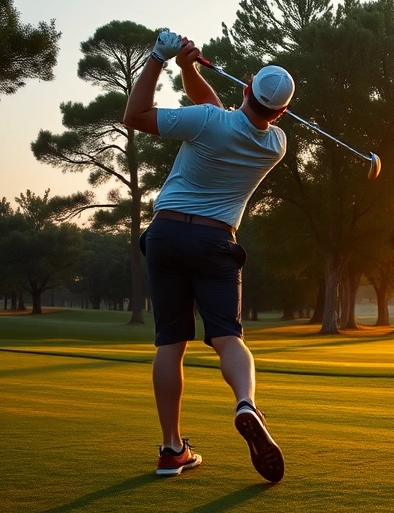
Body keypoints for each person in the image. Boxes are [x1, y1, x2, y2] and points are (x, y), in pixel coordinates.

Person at [122, 30, 294, 482]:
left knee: (170, 343)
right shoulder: (275, 144)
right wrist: (189, 68)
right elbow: (224, 118)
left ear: (247, 86)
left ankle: (171, 449)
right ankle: (245, 404)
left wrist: (159, 58)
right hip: (216, 242)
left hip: (166, 235)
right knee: (228, 337)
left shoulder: (204, 121)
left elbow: (135, 113)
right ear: (281, 111)